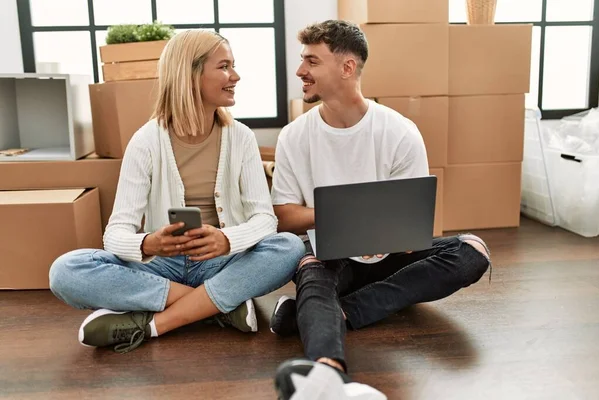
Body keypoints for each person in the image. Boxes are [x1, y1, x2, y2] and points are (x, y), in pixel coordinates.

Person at [269, 20, 491, 397]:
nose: (300, 71)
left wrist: (390, 235)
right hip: (330, 256)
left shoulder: (398, 131)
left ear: (347, 67)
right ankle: (327, 374)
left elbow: (411, 222)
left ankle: (333, 312)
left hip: (389, 255)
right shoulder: (294, 136)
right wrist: (346, 217)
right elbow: (285, 217)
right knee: (311, 268)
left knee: (473, 252)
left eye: (311, 61)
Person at [49, 29, 305, 354]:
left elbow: (265, 220)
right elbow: (115, 233)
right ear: (191, 74)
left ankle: (156, 322)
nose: (235, 76)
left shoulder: (240, 137)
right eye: (224, 66)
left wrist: (227, 239)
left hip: (222, 262)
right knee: (65, 270)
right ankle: (217, 307)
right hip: (163, 267)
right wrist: (148, 242)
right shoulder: (146, 141)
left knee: (290, 246)